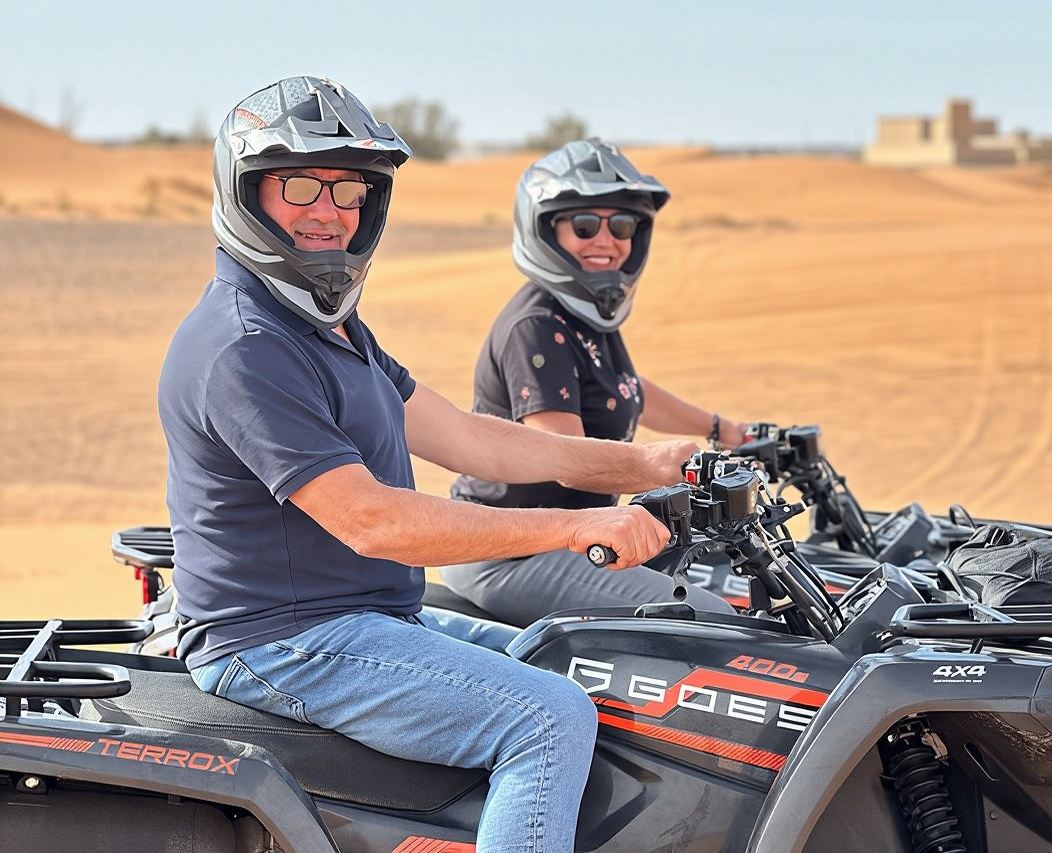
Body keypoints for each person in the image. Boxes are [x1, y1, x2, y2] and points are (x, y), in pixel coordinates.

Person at [158, 77, 694, 853]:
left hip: (362, 617)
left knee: (578, 655)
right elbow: (376, 521)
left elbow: (476, 439)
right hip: (283, 639)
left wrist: (647, 460)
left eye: (350, 191)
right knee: (549, 714)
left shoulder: (329, 330)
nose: (327, 210)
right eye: (299, 184)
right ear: (246, 194)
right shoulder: (246, 346)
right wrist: (575, 524)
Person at [443, 139, 751, 625]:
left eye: (622, 225)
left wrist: (727, 430)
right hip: (511, 551)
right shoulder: (538, 326)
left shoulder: (586, 318)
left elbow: (627, 389)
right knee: (706, 617)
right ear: (547, 232)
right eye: (585, 226)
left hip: (575, 537)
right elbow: (564, 460)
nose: (606, 241)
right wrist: (662, 468)